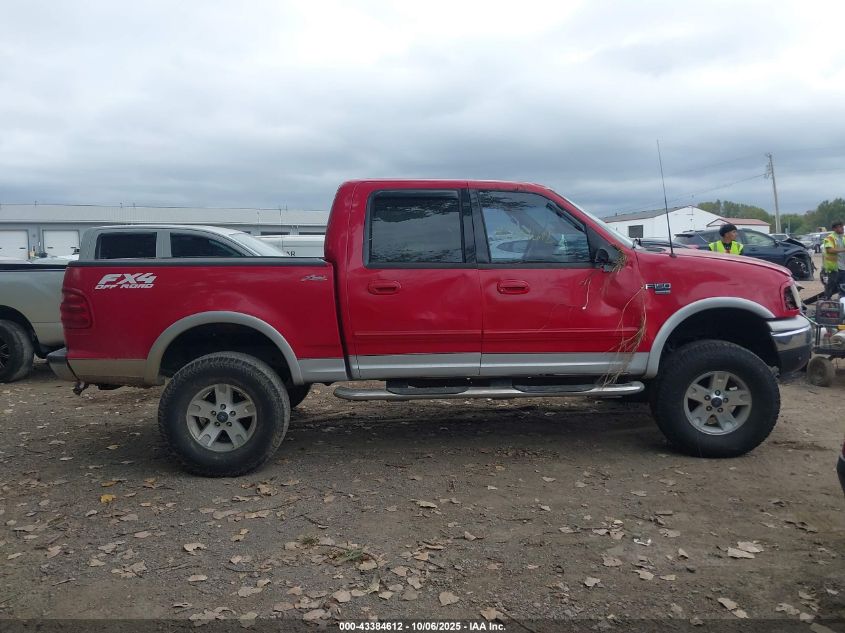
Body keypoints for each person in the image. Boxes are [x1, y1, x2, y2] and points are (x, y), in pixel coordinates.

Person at [821, 220, 845, 299]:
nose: (842, 228)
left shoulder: (843, 237)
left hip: (843, 267)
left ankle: (842, 302)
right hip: (833, 268)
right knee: (830, 287)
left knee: (843, 287)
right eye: (840, 227)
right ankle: (826, 301)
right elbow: (829, 250)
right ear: (835, 229)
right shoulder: (830, 238)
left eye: (842, 226)